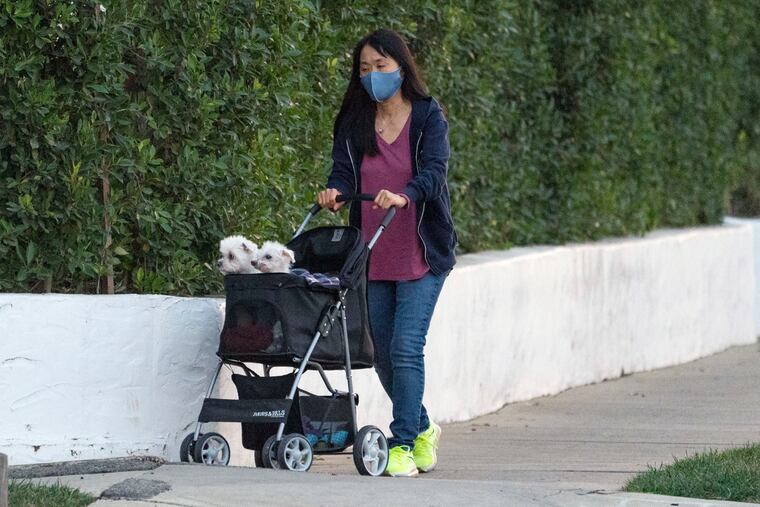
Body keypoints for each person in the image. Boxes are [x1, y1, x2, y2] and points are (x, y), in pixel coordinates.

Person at [317, 28, 457, 477]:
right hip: (373, 252)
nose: (373, 75)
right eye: (364, 68)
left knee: (405, 348)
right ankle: (422, 427)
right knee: (378, 353)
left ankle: (401, 444)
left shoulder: (427, 116)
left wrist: (404, 195)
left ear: (401, 66)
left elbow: (435, 172)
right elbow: (342, 170)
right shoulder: (354, 120)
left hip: (420, 251)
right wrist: (335, 192)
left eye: (381, 66)